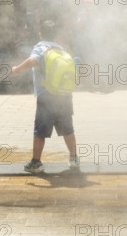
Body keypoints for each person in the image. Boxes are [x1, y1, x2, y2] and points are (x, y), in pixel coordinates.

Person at [12, 19, 79, 173]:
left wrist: (17, 69)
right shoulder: (62, 49)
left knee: (40, 131)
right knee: (68, 129)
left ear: (41, 33)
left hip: (47, 96)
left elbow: (33, 61)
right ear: (56, 35)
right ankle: (74, 159)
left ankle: (36, 162)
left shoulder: (41, 47)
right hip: (64, 95)